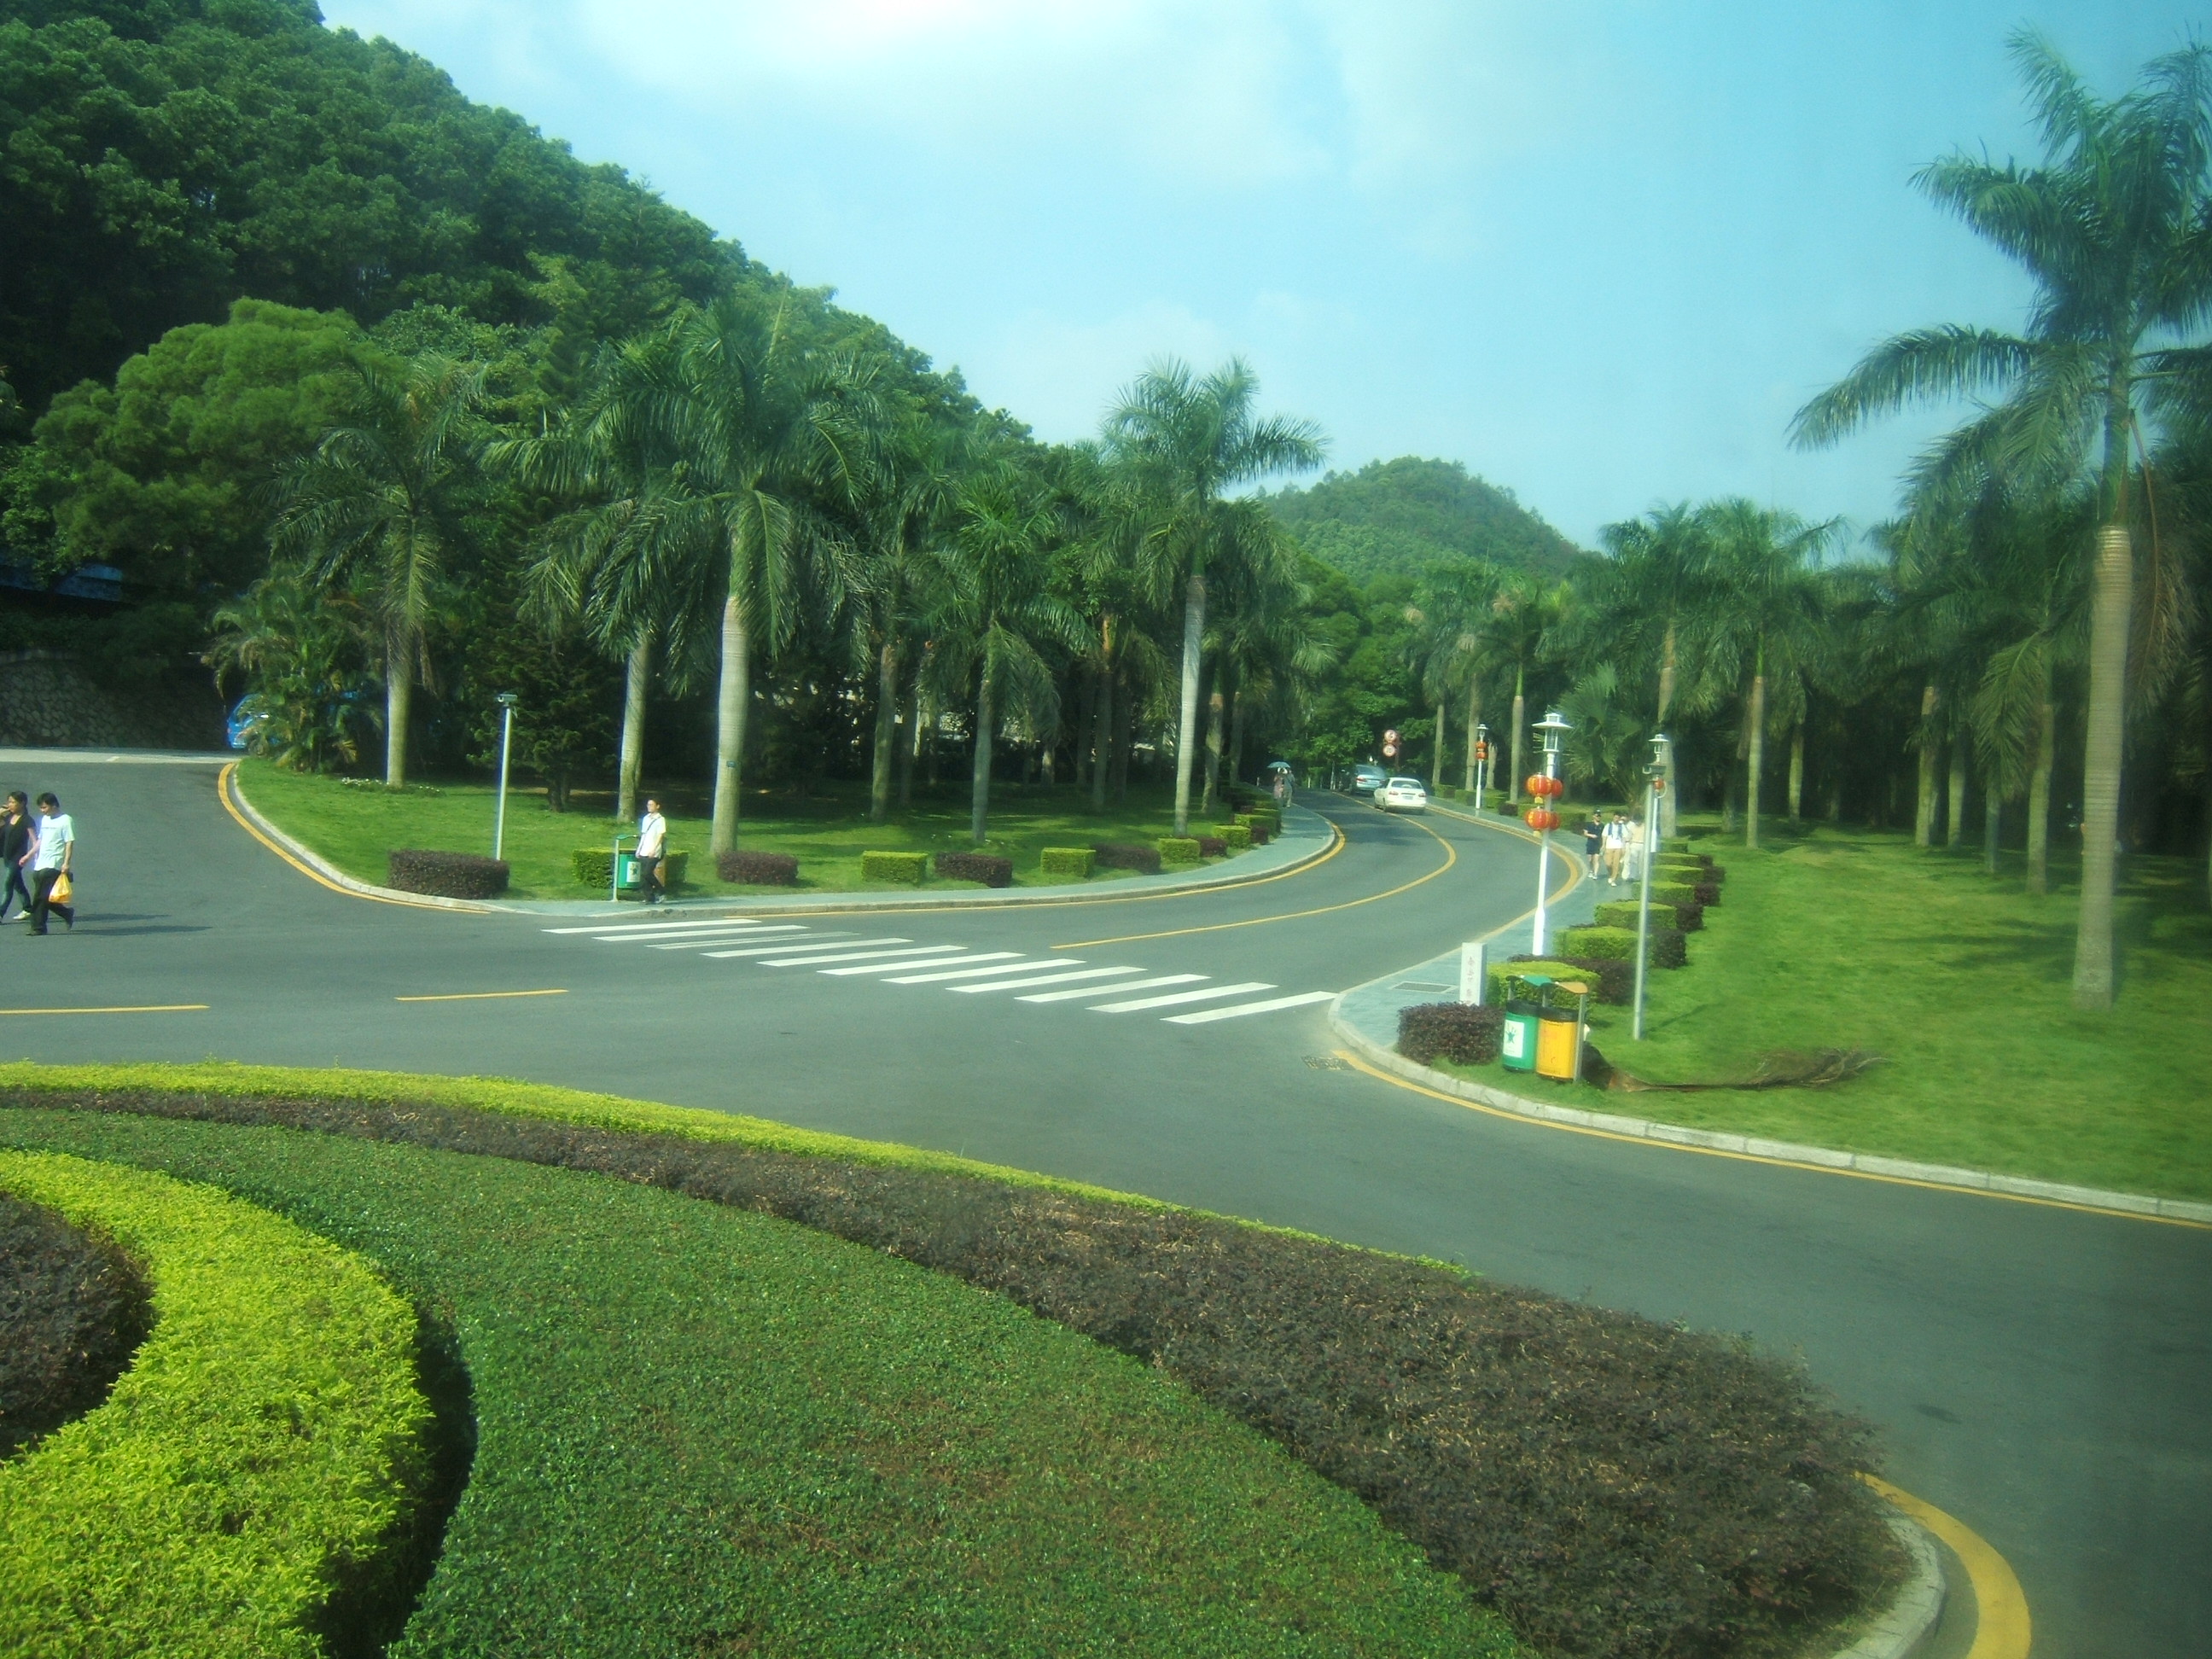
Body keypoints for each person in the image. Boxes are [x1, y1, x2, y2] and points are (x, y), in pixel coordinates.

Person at [26, 792, 73, 935]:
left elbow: (69, 842)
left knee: (39, 896)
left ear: (54, 805)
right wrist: (29, 855)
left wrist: (66, 863)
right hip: (40, 863)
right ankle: (66, 913)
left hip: (54, 863)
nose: (43, 811)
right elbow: (40, 840)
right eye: (41, 808)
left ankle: (38, 927)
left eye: (45, 807)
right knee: (46, 896)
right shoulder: (45, 820)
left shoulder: (65, 820)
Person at [0, 794, 32, 922]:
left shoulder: (27, 820)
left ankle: (1, 913)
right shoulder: (10, 818)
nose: (10, 805)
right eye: (9, 802)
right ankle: (28, 908)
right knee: (17, 884)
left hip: (18, 858)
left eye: (13, 802)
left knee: (8, 885)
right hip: (7, 856)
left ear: (22, 803)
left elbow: (35, 839)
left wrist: (31, 855)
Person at [635, 796, 667, 905]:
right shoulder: (646, 818)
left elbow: (660, 835)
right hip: (644, 849)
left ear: (657, 806)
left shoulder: (660, 819)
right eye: (648, 805)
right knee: (644, 875)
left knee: (647, 873)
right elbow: (643, 835)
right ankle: (649, 897)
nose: (649, 807)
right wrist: (639, 849)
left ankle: (662, 891)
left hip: (654, 850)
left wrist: (654, 849)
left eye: (652, 805)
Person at [1603, 812, 1627, 885]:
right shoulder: (1608, 825)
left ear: (1619, 819)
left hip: (1618, 846)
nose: (1616, 819)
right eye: (1615, 818)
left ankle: (1613, 879)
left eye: (1618, 818)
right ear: (1613, 818)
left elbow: (1624, 837)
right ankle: (1612, 874)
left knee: (1616, 863)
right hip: (1609, 846)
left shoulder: (1622, 826)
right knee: (1608, 863)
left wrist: (1623, 847)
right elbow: (1604, 835)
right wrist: (1603, 845)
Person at [1582, 812, 1604, 877]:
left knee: (1597, 859)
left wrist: (1603, 845)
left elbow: (1604, 835)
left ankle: (1595, 873)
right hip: (1590, 843)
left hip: (1598, 844)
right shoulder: (1589, 824)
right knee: (1590, 859)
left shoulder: (1602, 825)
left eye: (1599, 816)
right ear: (1594, 816)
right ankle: (1591, 870)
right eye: (1597, 816)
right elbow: (1585, 834)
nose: (1598, 817)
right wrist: (1591, 835)